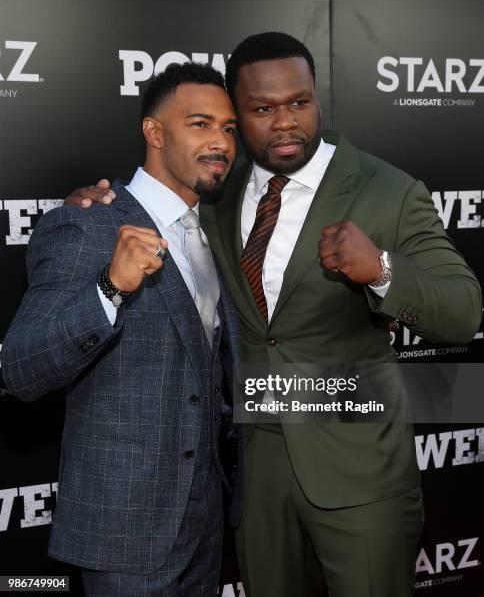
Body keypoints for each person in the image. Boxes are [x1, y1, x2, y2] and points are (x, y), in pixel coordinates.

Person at [64, 33, 482, 597]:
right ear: (235, 114)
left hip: (359, 473)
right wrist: (94, 202)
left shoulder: (389, 190)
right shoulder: (215, 188)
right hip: (254, 478)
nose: (286, 123)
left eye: (300, 103)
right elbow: (152, 197)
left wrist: (382, 268)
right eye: (262, 109)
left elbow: (462, 313)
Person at [1, 63, 242, 597]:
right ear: (154, 133)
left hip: (204, 520)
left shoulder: (213, 233)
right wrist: (110, 288)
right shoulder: (88, 222)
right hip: (123, 528)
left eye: (228, 128)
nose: (220, 142)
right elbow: (19, 369)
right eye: (200, 124)